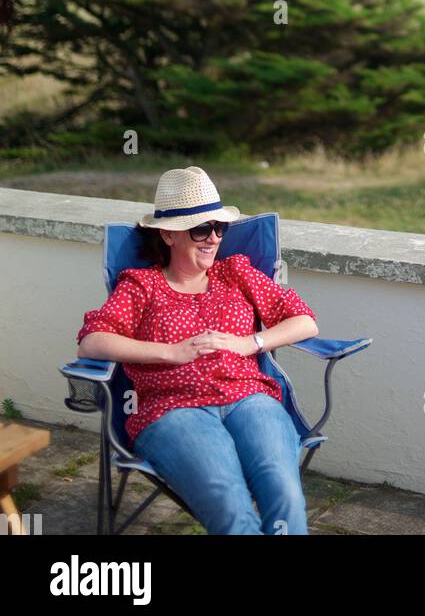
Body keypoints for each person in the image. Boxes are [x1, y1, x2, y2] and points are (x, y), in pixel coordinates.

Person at [76, 165, 319, 535]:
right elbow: (92, 341)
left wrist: (249, 342)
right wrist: (170, 352)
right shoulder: (142, 286)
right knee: (231, 508)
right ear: (168, 235)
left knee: (285, 495)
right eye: (201, 229)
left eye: (219, 227)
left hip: (250, 400)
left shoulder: (235, 273)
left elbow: (304, 321)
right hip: (173, 410)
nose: (214, 238)